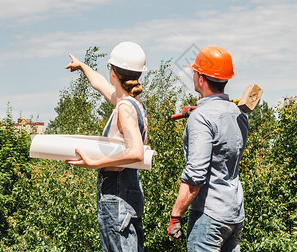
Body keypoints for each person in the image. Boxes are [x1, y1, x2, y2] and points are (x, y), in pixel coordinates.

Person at [65, 41, 148, 252]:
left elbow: (136, 152)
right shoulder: (132, 104)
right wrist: (83, 66)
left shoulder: (125, 109)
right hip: (129, 189)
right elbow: (100, 84)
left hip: (116, 191)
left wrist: (95, 163)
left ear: (113, 72)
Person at [168, 46, 249, 252]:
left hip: (209, 215)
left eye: (195, 72)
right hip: (234, 213)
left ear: (201, 78)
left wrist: (175, 214)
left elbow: (195, 176)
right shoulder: (238, 114)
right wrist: (200, 112)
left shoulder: (201, 118)